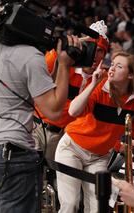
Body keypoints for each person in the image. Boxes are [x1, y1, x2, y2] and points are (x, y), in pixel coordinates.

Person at [0, 1, 81, 212]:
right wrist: (65, 65)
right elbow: (53, 111)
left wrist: (58, 63)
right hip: (10, 157)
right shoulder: (29, 55)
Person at [55, 51, 134, 213]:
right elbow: (73, 111)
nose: (111, 69)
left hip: (99, 157)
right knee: (70, 205)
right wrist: (92, 84)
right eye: (112, 64)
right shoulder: (100, 86)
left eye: (119, 66)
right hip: (72, 149)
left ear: (131, 75)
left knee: (98, 208)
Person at [33, 20, 109, 162]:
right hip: (36, 128)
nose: (95, 54)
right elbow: (35, 74)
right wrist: (75, 44)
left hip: (63, 136)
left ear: (105, 55)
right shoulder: (63, 59)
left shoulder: (102, 78)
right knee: (31, 175)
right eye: (92, 47)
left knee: (48, 180)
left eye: (100, 51)